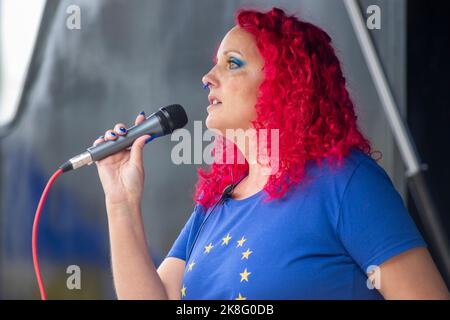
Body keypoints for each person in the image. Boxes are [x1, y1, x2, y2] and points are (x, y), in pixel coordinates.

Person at [92, 7, 450, 299]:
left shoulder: (345, 182)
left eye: (232, 63)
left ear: (287, 81)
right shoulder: (217, 203)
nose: (207, 77)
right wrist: (120, 202)